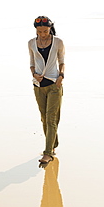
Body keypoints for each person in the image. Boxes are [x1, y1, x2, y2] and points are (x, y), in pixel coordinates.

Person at [28, 16, 65, 164]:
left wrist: (61, 76)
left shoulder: (58, 42)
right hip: (38, 86)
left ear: (50, 28)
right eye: (40, 31)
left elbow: (62, 61)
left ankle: (48, 153)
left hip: (54, 85)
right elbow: (31, 62)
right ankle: (53, 145)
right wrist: (34, 74)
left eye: (45, 31)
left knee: (51, 118)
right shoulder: (31, 43)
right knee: (44, 118)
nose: (43, 34)